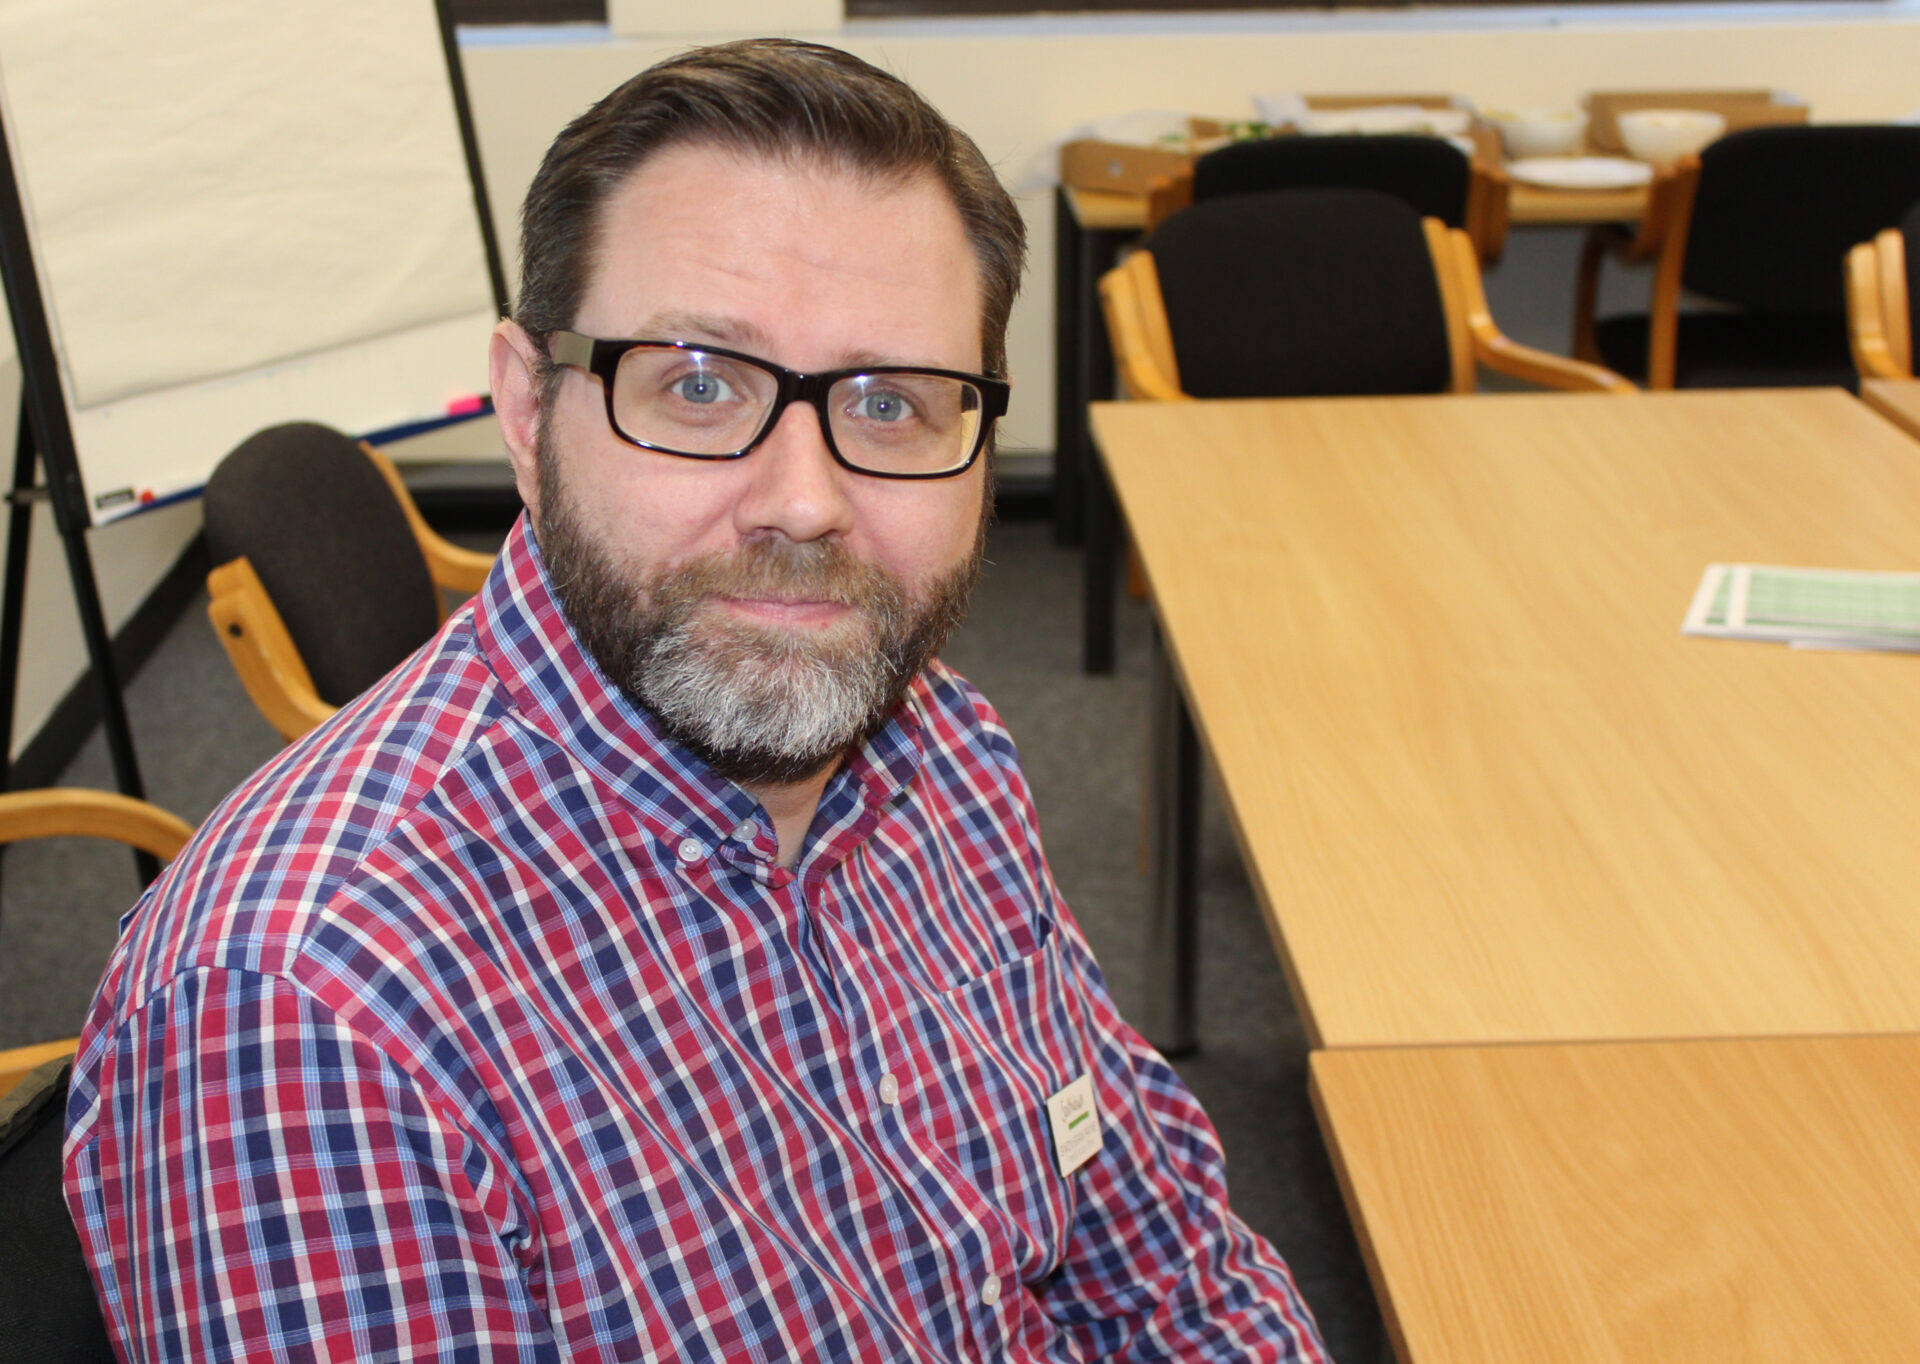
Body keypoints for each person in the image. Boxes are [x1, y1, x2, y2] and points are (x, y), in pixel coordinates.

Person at [63, 39, 1329, 1363]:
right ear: (527, 413)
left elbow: (1165, 1265)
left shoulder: (940, 744)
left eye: (893, 402)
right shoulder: (310, 1017)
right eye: (700, 386)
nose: (803, 501)